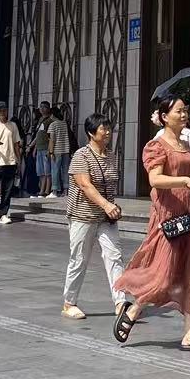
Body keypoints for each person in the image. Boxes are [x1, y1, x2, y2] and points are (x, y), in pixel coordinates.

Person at [113, 95, 190, 352]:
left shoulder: (187, 142)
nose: (184, 115)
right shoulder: (156, 145)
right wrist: (186, 181)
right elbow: (155, 180)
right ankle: (134, 309)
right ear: (164, 117)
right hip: (168, 215)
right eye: (179, 111)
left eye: (185, 110)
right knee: (163, 274)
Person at [62, 115, 128, 320]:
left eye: (109, 128)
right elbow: (85, 185)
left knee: (114, 256)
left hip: (106, 218)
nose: (107, 132)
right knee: (79, 259)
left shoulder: (111, 155)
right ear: (91, 133)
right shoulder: (81, 155)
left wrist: (110, 207)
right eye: (103, 129)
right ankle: (69, 303)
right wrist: (107, 205)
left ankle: (120, 302)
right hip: (83, 216)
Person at [48, 107, 74, 198]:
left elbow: (52, 139)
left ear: (52, 115)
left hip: (56, 151)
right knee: (65, 171)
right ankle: (66, 191)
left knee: (55, 170)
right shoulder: (64, 124)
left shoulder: (53, 125)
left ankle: (54, 191)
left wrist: (51, 152)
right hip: (66, 150)